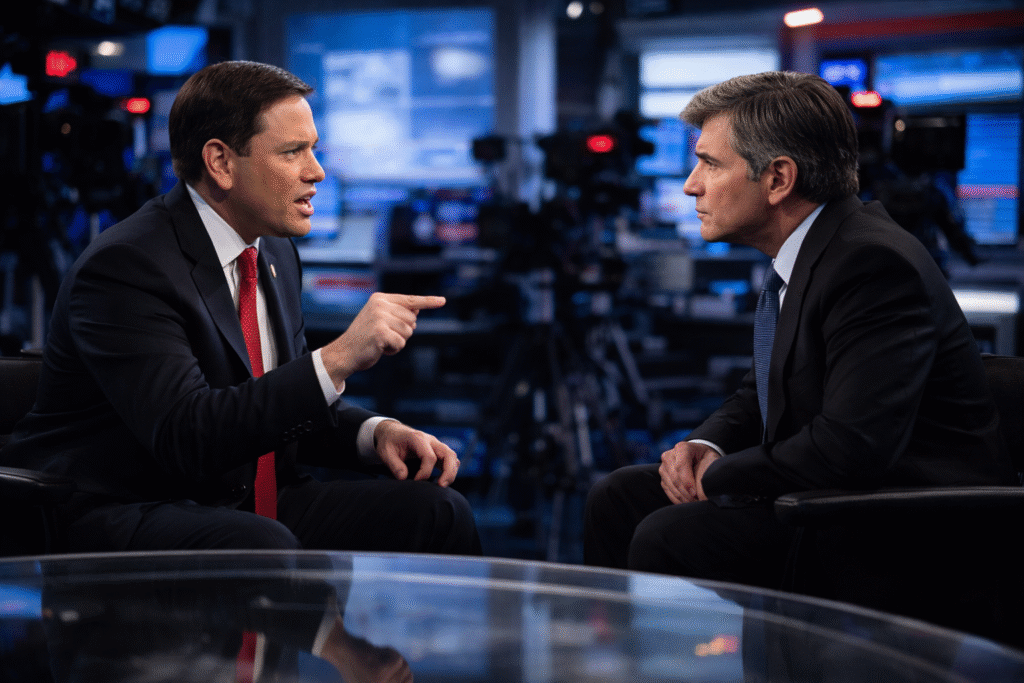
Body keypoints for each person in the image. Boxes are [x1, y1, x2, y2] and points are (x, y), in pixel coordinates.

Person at [1, 60, 480, 559]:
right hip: (128, 508)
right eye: (293, 152)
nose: (316, 172)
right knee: (256, 543)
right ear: (221, 162)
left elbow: (277, 407)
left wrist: (375, 433)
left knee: (438, 510)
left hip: (243, 502)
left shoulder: (273, 252)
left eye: (313, 149)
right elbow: (187, 437)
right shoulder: (127, 266)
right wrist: (337, 358)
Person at [583, 71, 1013, 587]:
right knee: (619, 496)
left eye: (710, 163)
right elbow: (762, 390)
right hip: (835, 497)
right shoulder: (816, 249)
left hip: (903, 526)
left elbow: (848, 448)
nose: (690, 183)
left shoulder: (871, 263)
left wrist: (719, 476)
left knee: (668, 534)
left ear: (778, 179)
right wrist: (707, 447)